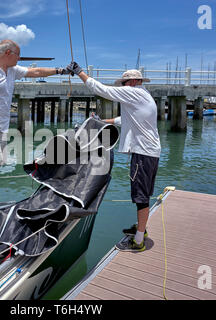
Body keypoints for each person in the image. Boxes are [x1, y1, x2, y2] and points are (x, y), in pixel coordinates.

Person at [0, 39, 71, 210]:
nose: (19, 59)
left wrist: (61, 70)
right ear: (8, 53)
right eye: (18, 55)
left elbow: (35, 72)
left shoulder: (11, 69)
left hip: (1, 124)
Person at [67, 62, 160, 252]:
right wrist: (100, 121)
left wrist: (80, 72)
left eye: (124, 83)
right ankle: (141, 227)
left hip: (143, 153)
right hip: (150, 152)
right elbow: (122, 120)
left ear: (133, 81)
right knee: (144, 194)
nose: (122, 86)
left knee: (141, 197)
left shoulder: (134, 92)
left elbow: (102, 90)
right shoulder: (144, 96)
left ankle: (139, 240)